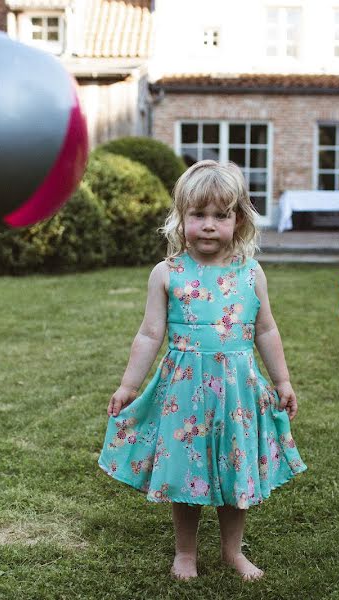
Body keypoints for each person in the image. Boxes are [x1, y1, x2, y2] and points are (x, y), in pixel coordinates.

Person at [98, 160, 306, 581]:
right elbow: (149, 333)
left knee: (236, 471)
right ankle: (186, 554)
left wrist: (281, 380)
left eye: (221, 215)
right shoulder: (167, 273)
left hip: (238, 392)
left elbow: (266, 329)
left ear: (240, 220)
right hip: (184, 391)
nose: (208, 226)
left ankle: (233, 551)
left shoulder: (250, 273)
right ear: (181, 218)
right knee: (185, 473)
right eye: (198, 215)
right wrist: (128, 386)